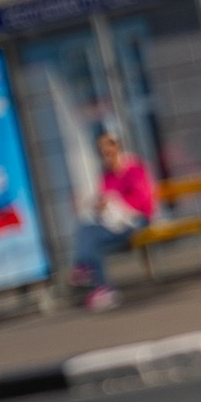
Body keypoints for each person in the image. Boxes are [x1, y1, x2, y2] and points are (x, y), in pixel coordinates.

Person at [67, 129, 154, 311]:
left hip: (136, 221)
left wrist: (114, 202)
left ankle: (94, 277)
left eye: (108, 152)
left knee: (91, 237)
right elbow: (105, 202)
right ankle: (94, 278)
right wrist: (96, 204)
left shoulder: (133, 169)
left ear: (117, 148)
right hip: (115, 222)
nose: (105, 157)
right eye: (101, 154)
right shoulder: (107, 175)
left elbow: (143, 202)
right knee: (86, 228)